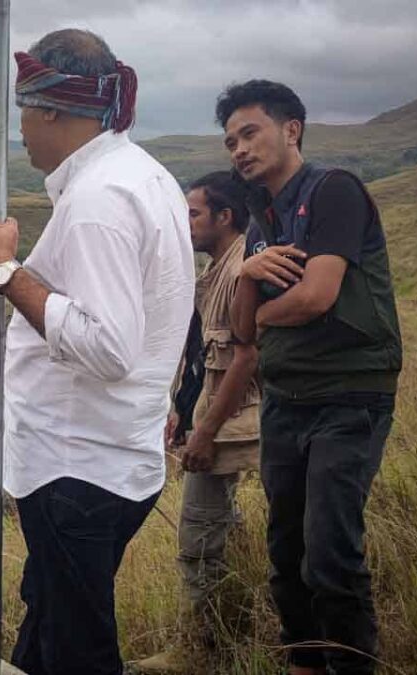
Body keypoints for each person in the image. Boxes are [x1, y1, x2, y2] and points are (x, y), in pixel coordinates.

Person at [0, 28, 195, 675]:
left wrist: (5, 270)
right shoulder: (145, 178)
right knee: (51, 620)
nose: (22, 132)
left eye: (24, 114)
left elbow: (110, 345)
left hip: (78, 466)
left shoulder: (98, 201)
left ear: (54, 109)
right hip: (109, 457)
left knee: (78, 651)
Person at [221, 80, 402, 675]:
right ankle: (303, 662)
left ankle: (352, 665)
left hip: (349, 396)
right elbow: (244, 332)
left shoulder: (334, 191)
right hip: (286, 399)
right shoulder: (260, 222)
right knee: (286, 548)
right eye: (230, 142)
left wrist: (265, 313)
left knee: (329, 553)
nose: (239, 149)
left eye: (250, 133)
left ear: (291, 129)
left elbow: (318, 296)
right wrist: (248, 275)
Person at [135, 172, 262, 674]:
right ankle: (232, 635)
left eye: (193, 213)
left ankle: (201, 651)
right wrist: (181, 412)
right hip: (214, 418)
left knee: (199, 541)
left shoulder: (240, 270)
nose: (183, 223)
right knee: (224, 531)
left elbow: (244, 360)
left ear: (224, 217)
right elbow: (200, 358)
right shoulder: (216, 269)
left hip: (231, 426)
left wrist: (204, 432)